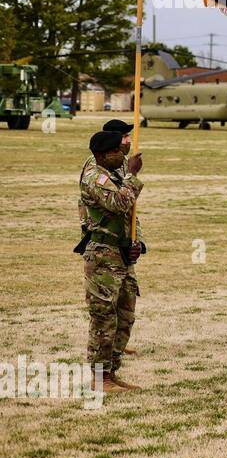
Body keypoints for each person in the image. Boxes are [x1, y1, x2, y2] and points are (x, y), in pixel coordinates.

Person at [77, 130, 145, 391]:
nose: (123, 154)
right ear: (102, 154)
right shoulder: (95, 177)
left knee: (125, 315)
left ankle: (111, 371)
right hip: (103, 256)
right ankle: (99, 377)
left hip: (121, 253)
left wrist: (135, 242)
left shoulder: (115, 173)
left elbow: (129, 216)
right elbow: (119, 203)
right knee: (104, 318)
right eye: (118, 150)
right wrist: (133, 177)